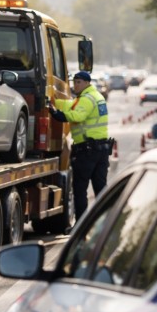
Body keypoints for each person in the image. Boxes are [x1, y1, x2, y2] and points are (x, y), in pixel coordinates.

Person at [47, 70, 111, 222]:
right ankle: (106, 224)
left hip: (87, 151)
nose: (75, 85)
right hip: (101, 150)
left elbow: (78, 115)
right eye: (74, 82)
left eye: (79, 82)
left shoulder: (87, 99)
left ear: (87, 83)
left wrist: (56, 114)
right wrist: (54, 101)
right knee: (101, 190)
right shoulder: (95, 96)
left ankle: (81, 226)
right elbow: (71, 104)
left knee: (80, 189)